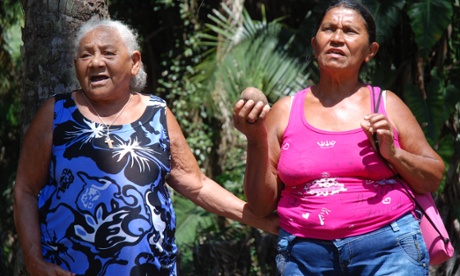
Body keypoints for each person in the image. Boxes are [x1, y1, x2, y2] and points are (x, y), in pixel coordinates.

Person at [14, 18, 277, 276]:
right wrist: (33, 260)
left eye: (108, 53)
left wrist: (260, 219)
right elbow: (25, 189)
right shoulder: (57, 114)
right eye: (85, 55)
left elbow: (196, 184)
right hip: (68, 269)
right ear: (76, 65)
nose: (95, 63)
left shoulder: (156, 114)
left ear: (134, 63)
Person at [233, 0, 445, 275]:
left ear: (371, 51)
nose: (337, 38)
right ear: (314, 43)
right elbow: (261, 206)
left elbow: (433, 176)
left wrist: (394, 154)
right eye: (328, 29)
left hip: (389, 251)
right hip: (304, 256)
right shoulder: (284, 111)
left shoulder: (386, 103)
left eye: (350, 31)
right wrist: (255, 140)